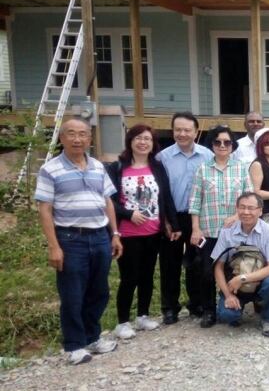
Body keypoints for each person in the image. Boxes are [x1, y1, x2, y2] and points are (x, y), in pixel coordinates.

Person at [35, 118, 123, 365]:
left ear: (89, 139)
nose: (77, 139)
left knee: (99, 291)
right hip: (70, 238)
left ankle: (92, 337)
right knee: (72, 294)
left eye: (82, 134)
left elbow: (107, 201)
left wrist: (115, 234)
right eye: (71, 134)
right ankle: (74, 345)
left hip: (100, 236)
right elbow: (44, 209)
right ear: (61, 138)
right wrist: (54, 246)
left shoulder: (97, 166)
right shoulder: (50, 169)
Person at [107, 124, 178, 340]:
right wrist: (128, 214)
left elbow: (165, 197)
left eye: (147, 138)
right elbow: (107, 200)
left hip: (153, 231)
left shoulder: (156, 167)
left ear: (152, 143)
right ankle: (122, 322)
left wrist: (171, 224)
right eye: (138, 138)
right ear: (130, 141)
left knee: (147, 276)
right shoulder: (118, 167)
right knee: (129, 277)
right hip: (128, 233)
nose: (143, 142)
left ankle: (143, 315)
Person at [189, 125, 253, 328]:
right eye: (218, 142)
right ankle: (209, 310)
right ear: (212, 145)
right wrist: (195, 229)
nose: (222, 145)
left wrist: (236, 216)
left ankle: (233, 306)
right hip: (209, 231)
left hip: (235, 231)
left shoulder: (241, 168)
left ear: (233, 145)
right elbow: (195, 202)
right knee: (206, 272)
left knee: (234, 269)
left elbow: (249, 197)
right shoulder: (202, 169)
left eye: (227, 142)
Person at [156, 112, 213, 325]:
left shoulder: (207, 155)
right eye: (178, 130)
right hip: (173, 216)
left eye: (187, 130)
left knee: (197, 261)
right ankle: (169, 307)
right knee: (169, 263)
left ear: (196, 132)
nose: (182, 134)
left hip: (198, 217)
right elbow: (159, 192)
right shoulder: (163, 158)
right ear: (172, 132)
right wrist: (166, 221)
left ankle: (196, 303)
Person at [211, 192, 269, 337]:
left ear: (260, 211)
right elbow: (218, 266)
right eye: (242, 207)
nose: (246, 212)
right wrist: (228, 295)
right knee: (228, 316)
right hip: (235, 287)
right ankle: (235, 307)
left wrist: (242, 278)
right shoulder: (227, 232)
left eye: (251, 208)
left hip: (259, 283)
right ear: (237, 209)